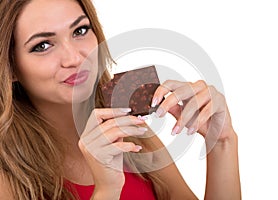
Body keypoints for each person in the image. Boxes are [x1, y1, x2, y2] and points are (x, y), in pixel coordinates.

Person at [0, 0, 241, 199]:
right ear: (10, 67)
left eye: (80, 31)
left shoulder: (132, 133)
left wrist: (221, 142)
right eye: (42, 45)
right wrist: (107, 190)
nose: (74, 57)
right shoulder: (6, 173)